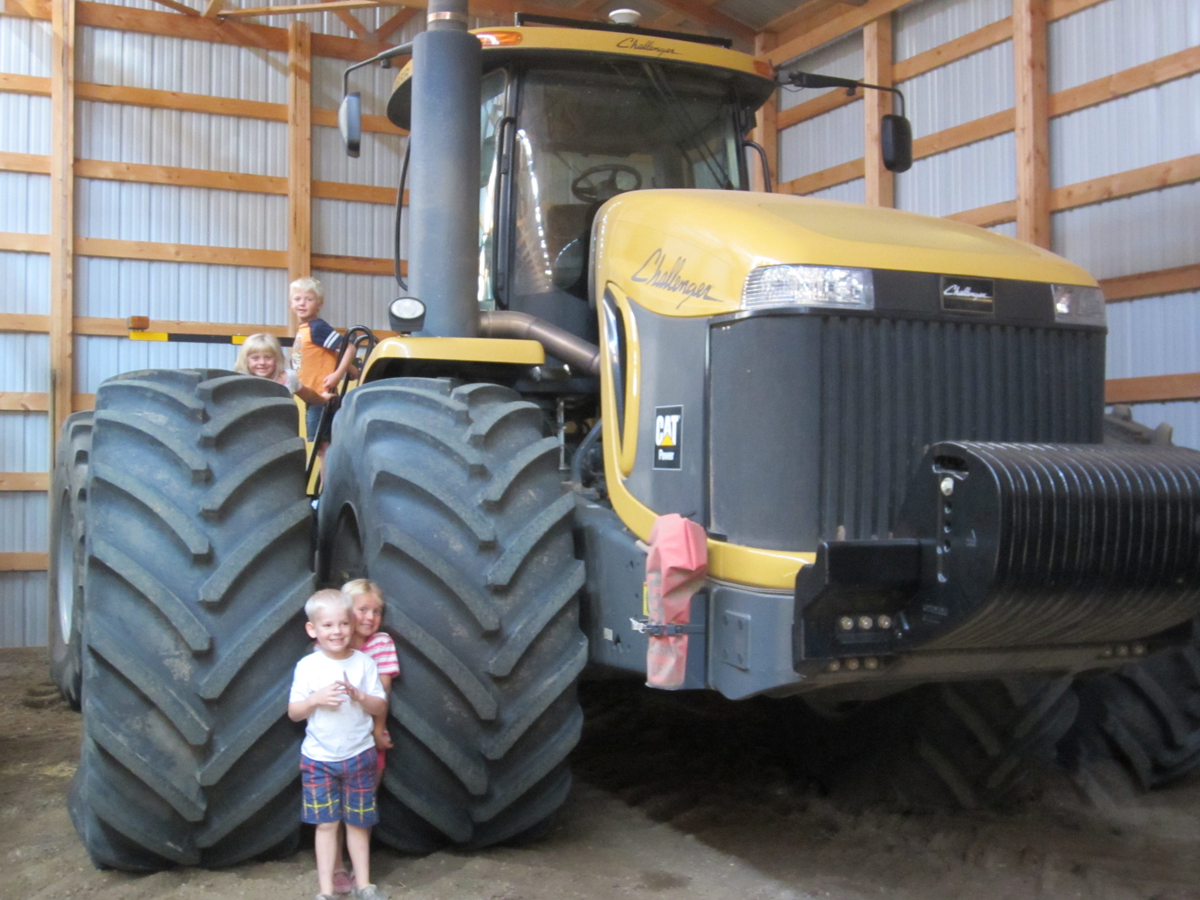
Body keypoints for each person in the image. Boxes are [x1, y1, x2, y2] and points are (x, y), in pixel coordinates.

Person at [288, 589, 390, 900]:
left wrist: (360, 696)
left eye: (344, 624)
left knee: (358, 823)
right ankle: (327, 891)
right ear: (313, 629)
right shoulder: (307, 666)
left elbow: (379, 705)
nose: (337, 631)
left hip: (359, 756)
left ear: (352, 625)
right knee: (326, 825)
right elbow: (294, 712)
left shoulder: (364, 663)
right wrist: (315, 700)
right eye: (328, 625)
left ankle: (364, 886)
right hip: (319, 759)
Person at [329, 579, 400, 894]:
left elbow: (383, 691)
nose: (370, 617)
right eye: (363, 610)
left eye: (377, 611)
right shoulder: (332, 645)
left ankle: (360, 872)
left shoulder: (381, 644)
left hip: (369, 738)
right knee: (333, 808)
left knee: (361, 806)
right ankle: (336, 866)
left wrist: (377, 731)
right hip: (335, 740)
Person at [289, 277, 357, 456]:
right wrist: (352, 369)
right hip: (312, 395)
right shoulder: (304, 329)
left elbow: (348, 347)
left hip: (321, 395)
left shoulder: (317, 327)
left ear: (319, 304)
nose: (302, 303)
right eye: (297, 299)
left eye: (309, 299)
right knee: (322, 446)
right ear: (291, 303)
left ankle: (327, 476)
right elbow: (328, 352)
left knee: (323, 447)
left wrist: (338, 374)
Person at [233, 332, 334, 410]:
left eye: (268, 357)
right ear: (246, 360)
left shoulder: (288, 378)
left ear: (277, 358)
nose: (262, 362)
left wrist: (323, 399)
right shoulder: (240, 382)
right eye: (255, 358)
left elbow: (308, 394)